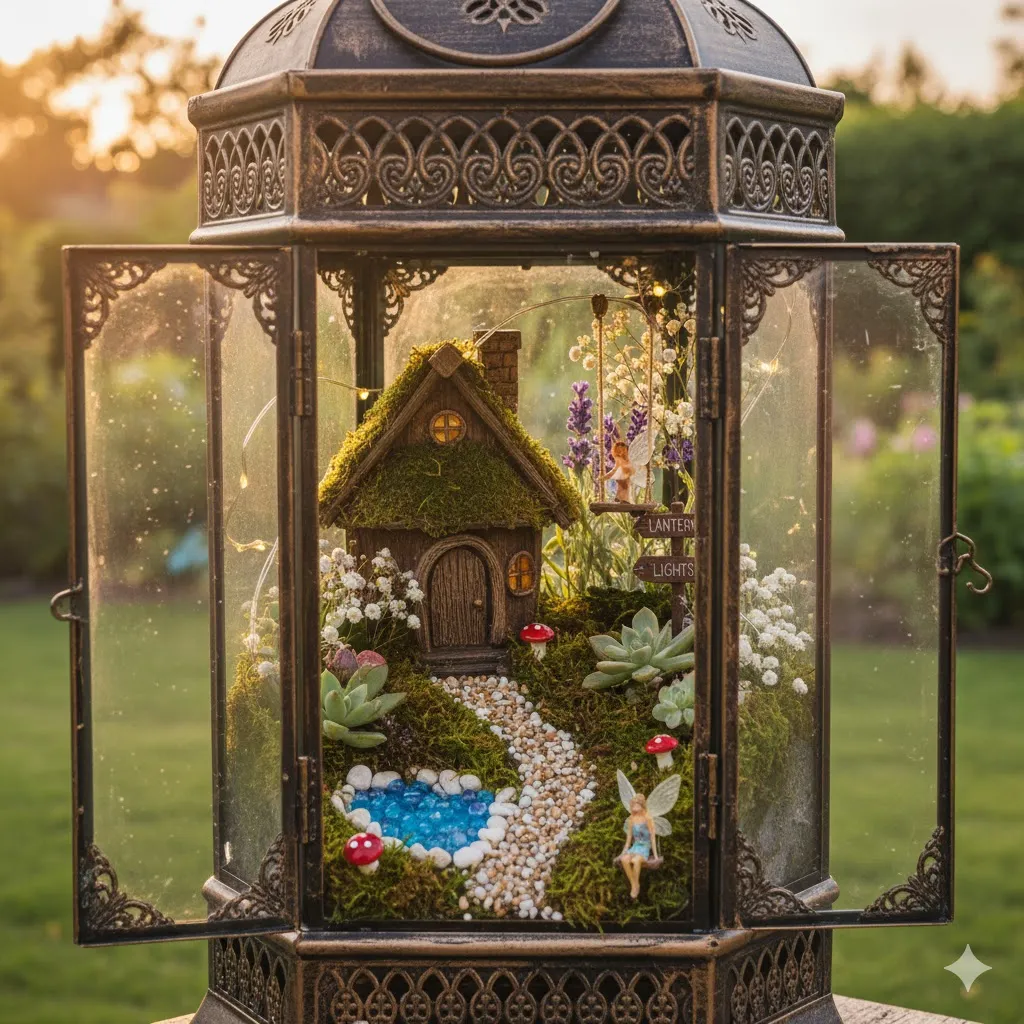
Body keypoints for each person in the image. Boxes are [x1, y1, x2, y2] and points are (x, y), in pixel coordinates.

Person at [617, 792, 658, 900]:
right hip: (635, 846)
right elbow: (629, 837)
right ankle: (634, 884)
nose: (634, 808)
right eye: (633, 805)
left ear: (642, 805)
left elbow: (653, 837)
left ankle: (635, 887)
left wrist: (655, 854)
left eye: (636, 805)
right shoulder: (631, 819)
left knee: (636, 861)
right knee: (624, 859)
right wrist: (623, 852)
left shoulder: (648, 818)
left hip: (644, 846)